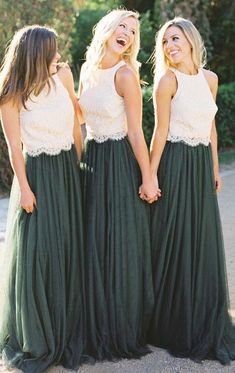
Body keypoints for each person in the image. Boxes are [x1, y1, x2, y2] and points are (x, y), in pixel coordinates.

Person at [147, 17, 235, 364]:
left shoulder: (210, 79)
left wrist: (213, 167)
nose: (170, 45)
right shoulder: (166, 82)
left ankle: (202, 311)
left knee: (201, 238)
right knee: (176, 238)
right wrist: (151, 176)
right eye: (166, 40)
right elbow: (160, 131)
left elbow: (210, 129)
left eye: (176, 38)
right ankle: (171, 319)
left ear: (191, 40)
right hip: (175, 164)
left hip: (200, 166)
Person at [0, 25, 85, 372]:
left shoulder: (62, 75)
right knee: (41, 254)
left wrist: (83, 166)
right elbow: (13, 147)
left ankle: (67, 328)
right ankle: (40, 335)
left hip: (67, 170)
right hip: (37, 175)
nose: (57, 54)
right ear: (35, 52)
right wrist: (25, 189)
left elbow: (78, 122)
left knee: (67, 248)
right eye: (51, 49)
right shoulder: (11, 93)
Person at [79, 9, 159, 360]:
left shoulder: (126, 75)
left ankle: (123, 324)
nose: (127, 33)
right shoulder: (86, 69)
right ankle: (95, 320)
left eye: (133, 30)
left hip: (119, 163)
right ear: (107, 30)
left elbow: (136, 132)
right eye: (122, 26)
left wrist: (149, 175)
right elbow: (80, 119)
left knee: (120, 244)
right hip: (92, 160)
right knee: (94, 243)